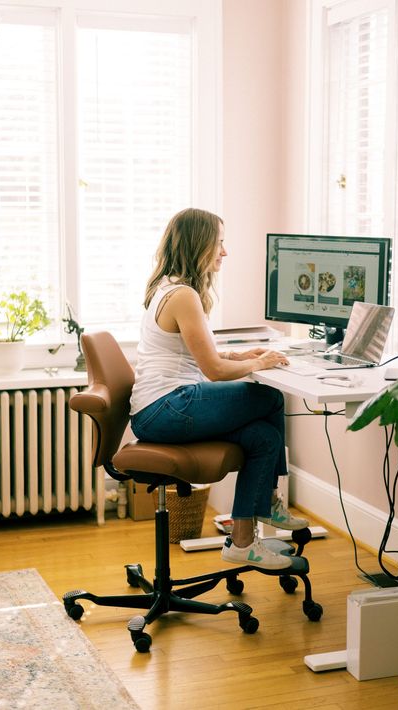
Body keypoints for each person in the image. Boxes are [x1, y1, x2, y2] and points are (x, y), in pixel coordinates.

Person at [130, 208, 309, 570]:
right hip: (167, 408)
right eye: (219, 242)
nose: (224, 252)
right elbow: (212, 370)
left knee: (263, 437)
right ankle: (271, 502)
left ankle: (242, 542)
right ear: (199, 245)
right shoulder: (183, 295)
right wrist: (259, 364)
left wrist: (241, 354)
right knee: (270, 397)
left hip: (160, 409)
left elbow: (195, 353)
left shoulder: (171, 286)